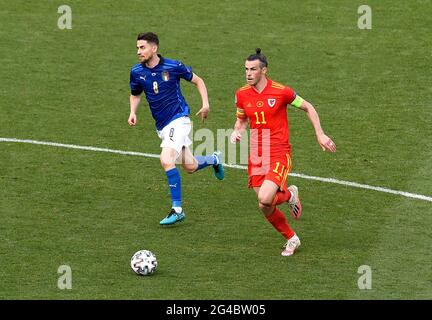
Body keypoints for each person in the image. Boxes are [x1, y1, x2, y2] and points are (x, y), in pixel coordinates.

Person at [230, 48, 336, 256]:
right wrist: (236, 131)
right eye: (246, 69)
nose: (248, 73)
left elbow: (308, 107)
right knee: (263, 205)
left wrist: (320, 134)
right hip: (256, 154)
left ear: (264, 71)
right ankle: (292, 237)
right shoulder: (241, 94)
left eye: (253, 69)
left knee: (266, 197)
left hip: (278, 151)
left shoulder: (281, 91)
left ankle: (288, 195)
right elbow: (241, 119)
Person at [128, 32, 224, 225]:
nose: (138, 51)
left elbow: (199, 81)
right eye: (137, 48)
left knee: (166, 159)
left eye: (142, 47)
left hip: (179, 120)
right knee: (190, 166)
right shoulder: (137, 72)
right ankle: (214, 159)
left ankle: (177, 209)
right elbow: (136, 93)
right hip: (162, 127)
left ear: (154, 48)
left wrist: (205, 104)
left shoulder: (174, 66)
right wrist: (133, 112)